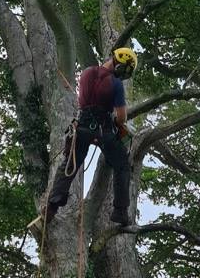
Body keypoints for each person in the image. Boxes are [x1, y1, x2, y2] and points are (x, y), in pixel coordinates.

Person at [42, 47, 137, 229]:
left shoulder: (86, 73)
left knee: (70, 163)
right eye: (124, 70)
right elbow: (121, 117)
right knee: (122, 163)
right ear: (120, 63)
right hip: (103, 130)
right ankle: (120, 212)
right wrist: (116, 119)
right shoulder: (115, 83)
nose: (123, 75)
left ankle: (52, 206)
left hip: (81, 126)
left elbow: (85, 99)